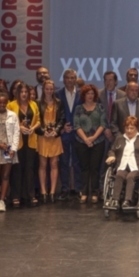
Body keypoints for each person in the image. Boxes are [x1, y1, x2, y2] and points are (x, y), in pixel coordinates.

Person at [105, 116, 139, 209]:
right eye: (127, 128)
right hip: (122, 165)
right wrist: (112, 156)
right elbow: (112, 150)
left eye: (132, 128)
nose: (129, 131)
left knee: (130, 177)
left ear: (136, 128)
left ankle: (127, 201)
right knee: (119, 175)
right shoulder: (119, 138)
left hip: (136, 166)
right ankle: (115, 200)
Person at [8, 83, 40, 207]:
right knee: (17, 169)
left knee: (30, 169)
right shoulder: (11, 105)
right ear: (17, 93)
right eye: (22, 92)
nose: (24, 94)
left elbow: (38, 120)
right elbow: (7, 121)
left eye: (26, 92)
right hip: (17, 141)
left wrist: (33, 128)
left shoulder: (33, 104)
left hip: (31, 140)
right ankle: (16, 196)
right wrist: (19, 127)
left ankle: (30, 195)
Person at [74, 84, 106, 204]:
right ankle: (84, 192)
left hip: (98, 142)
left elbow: (103, 124)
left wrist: (93, 138)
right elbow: (76, 125)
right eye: (88, 94)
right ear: (84, 95)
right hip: (81, 142)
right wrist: (86, 139)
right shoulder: (78, 109)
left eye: (92, 93)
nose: (90, 96)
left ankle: (94, 192)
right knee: (84, 168)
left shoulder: (100, 108)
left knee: (95, 168)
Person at [35, 80, 64, 203]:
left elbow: (62, 119)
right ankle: (43, 191)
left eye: (51, 89)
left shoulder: (59, 103)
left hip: (55, 137)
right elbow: (36, 119)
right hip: (43, 137)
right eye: (47, 89)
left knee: (53, 164)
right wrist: (43, 131)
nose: (49, 91)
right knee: (42, 165)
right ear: (43, 89)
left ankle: (52, 192)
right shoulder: (37, 103)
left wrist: (56, 131)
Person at [57, 69, 82, 201]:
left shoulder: (81, 93)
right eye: (68, 78)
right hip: (64, 133)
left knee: (77, 162)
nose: (70, 80)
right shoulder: (58, 94)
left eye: (73, 78)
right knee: (64, 162)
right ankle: (65, 189)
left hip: (78, 134)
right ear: (64, 79)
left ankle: (78, 189)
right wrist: (61, 128)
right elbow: (54, 114)